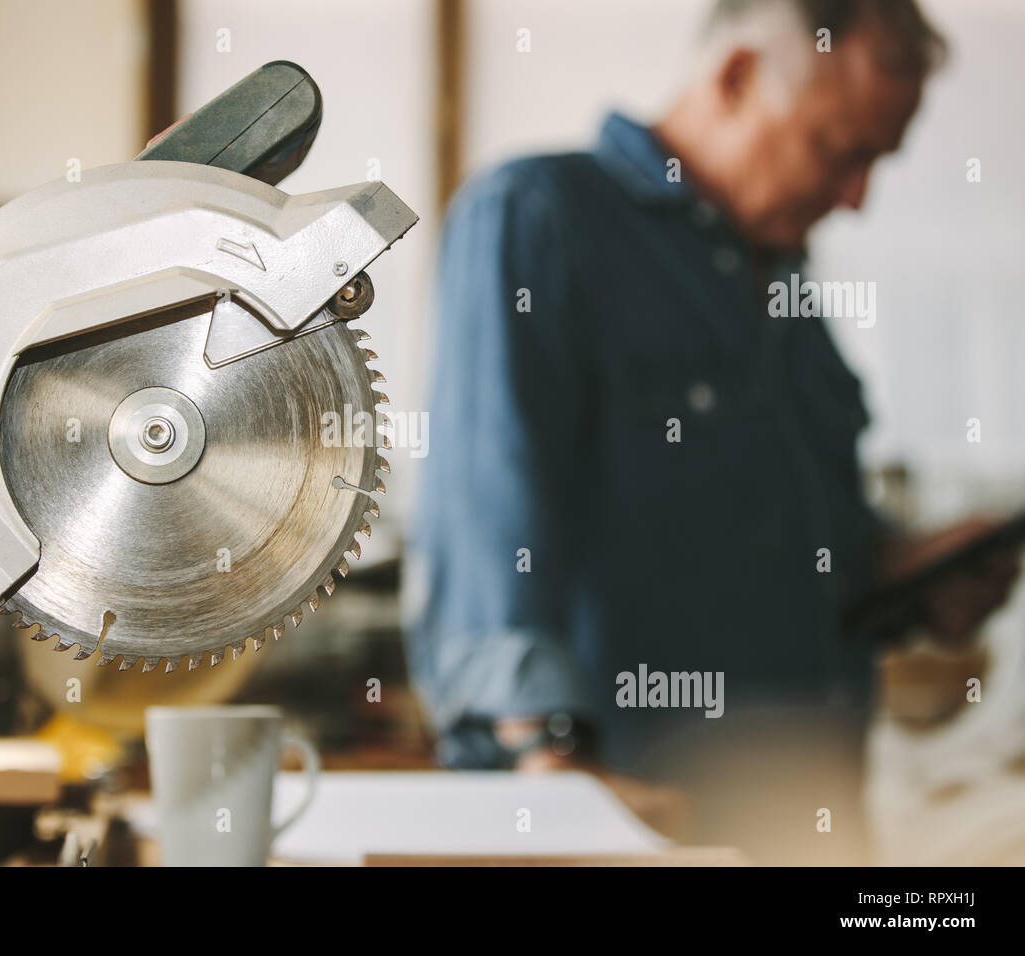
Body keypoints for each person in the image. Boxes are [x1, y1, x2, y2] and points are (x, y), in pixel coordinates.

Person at [405, 0, 1019, 863]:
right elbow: (489, 525)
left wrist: (915, 575)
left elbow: (798, 552)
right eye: (838, 152)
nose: (855, 198)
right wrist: (550, 769)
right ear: (735, 77)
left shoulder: (786, 277)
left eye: (877, 164)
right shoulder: (541, 214)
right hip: (639, 831)